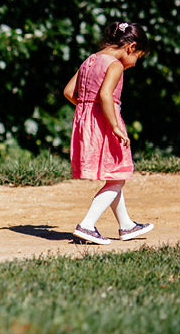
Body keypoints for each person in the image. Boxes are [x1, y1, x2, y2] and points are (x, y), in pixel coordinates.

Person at [63, 21, 154, 245]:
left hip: (88, 124)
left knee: (115, 176)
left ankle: (126, 226)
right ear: (130, 47)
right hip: (105, 124)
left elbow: (68, 91)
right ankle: (87, 225)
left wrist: (88, 108)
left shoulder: (89, 60)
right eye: (138, 57)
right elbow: (105, 95)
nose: (134, 64)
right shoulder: (114, 65)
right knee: (118, 176)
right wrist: (113, 125)